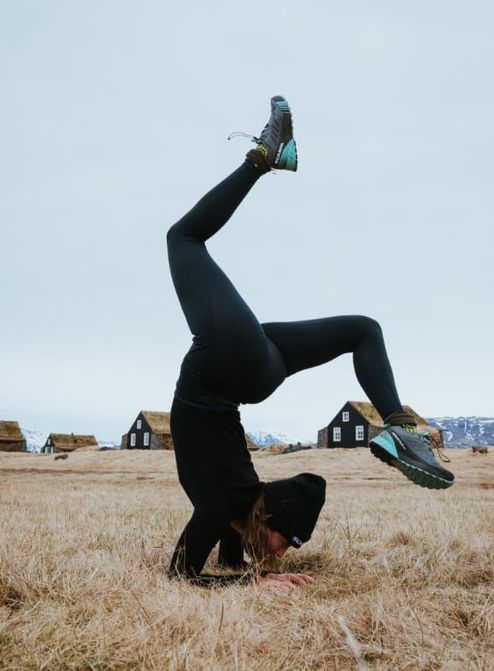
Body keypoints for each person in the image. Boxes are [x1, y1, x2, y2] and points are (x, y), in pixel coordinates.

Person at [166, 96, 453, 588]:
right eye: (290, 540)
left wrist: (252, 580)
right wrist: (253, 580)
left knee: (185, 239)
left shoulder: (227, 509)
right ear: (269, 520)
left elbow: (181, 574)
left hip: (236, 370)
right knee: (363, 329)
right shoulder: (235, 506)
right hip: (235, 369)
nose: (284, 553)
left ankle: (264, 158)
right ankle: (400, 426)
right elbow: (203, 569)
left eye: (291, 544)